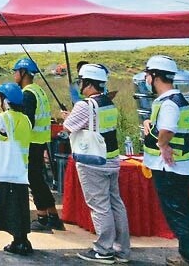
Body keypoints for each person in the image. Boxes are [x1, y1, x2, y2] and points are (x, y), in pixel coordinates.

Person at [142, 55, 189, 266]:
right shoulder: (177, 100)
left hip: (170, 169)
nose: (146, 79)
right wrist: (149, 125)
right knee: (182, 214)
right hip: (180, 167)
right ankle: (186, 254)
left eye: (147, 75)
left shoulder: (169, 103)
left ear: (154, 76)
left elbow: (167, 130)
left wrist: (163, 145)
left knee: (179, 217)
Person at [62, 64, 131, 263]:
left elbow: (68, 127)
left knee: (99, 206)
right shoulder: (108, 103)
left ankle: (103, 249)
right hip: (111, 158)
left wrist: (67, 117)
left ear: (88, 83)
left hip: (93, 161)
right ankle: (122, 249)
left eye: (81, 81)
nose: (80, 85)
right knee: (116, 203)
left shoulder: (85, 105)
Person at [0, 82, 34, 256]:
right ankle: (22, 240)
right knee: (20, 204)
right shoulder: (24, 119)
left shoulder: (3, 118)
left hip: (6, 170)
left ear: (5, 100)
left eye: (0, 97)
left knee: (10, 207)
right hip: (20, 170)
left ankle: (19, 242)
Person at [12, 57, 64, 231]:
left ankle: (42, 217)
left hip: (32, 142)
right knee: (39, 180)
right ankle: (53, 216)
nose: (14, 75)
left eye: (15, 71)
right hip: (40, 140)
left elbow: (28, 122)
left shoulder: (27, 94)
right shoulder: (38, 90)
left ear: (23, 73)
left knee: (34, 180)